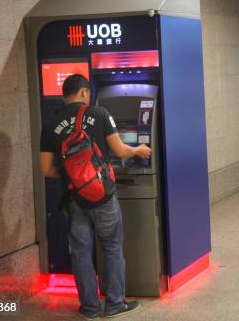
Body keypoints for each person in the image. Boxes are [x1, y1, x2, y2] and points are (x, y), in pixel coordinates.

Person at [39, 74, 151, 319]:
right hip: (103, 195)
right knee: (111, 247)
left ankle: (89, 308)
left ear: (64, 95)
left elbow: (46, 168)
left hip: (73, 198)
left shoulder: (50, 124)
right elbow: (120, 150)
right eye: (87, 93)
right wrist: (139, 149)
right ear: (83, 93)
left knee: (80, 252)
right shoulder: (99, 113)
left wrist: (75, 178)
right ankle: (114, 305)